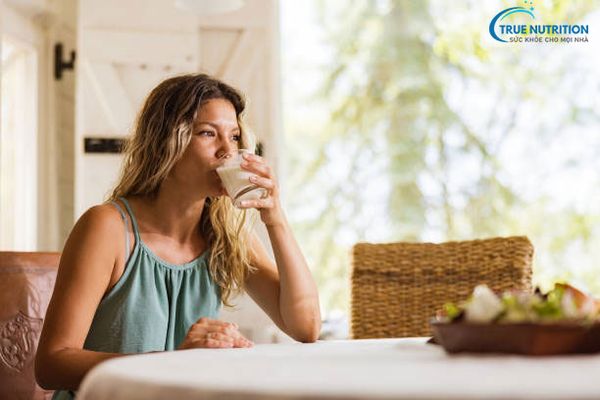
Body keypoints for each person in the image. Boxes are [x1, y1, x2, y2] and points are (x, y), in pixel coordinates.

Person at [35, 74, 321, 399]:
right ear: (166, 142)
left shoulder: (226, 236)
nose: (228, 150)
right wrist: (169, 363)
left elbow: (306, 327)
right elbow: (51, 364)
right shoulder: (108, 228)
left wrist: (275, 218)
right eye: (208, 133)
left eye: (234, 136)